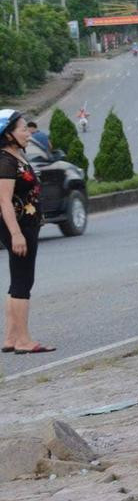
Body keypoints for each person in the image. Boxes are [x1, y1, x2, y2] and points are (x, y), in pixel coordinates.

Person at [0, 110, 54, 355]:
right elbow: (3, 200)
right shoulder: (5, 161)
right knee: (23, 281)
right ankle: (24, 341)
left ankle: (11, 338)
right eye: (22, 129)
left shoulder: (16, 155)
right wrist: (16, 234)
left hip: (27, 225)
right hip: (19, 227)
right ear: (8, 134)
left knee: (18, 280)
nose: (28, 134)